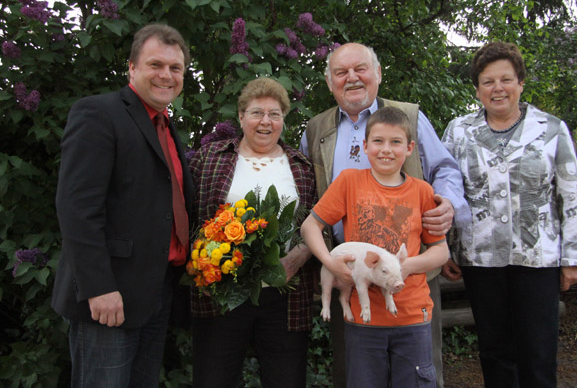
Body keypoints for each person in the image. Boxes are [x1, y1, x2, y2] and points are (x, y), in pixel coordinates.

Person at [300, 42, 469, 388]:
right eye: (341, 73)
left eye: (360, 69)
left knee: (419, 368)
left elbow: (445, 169)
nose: (352, 78)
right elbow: (309, 205)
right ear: (330, 81)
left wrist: (448, 204)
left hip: (409, 269)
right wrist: (328, 264)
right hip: (349, 269)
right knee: (357, 371)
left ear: (378, 73)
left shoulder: (408, 116)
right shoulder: (315, 129)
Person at [52, 23, 194, 387]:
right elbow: (77, 209)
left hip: (155, 291)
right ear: (131, 68)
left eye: (175, 68)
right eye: (155, 65)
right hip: (109, 295)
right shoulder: (100, 113)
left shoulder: (166, 126)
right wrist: (99, 287)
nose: (167, 75)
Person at [440, 41, 577, 388]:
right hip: (480, 260)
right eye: (488, 81)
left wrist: (574, 257)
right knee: (494, 351)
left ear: (520, 83)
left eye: (506, 79)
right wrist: (444, 247)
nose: (498, 89)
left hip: (538, 260)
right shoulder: (458, 132)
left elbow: (572, 194)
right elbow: (444, 193)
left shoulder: (551, 129)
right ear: (477, 89)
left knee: (538, 352)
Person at [189, 77, 317, 388]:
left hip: (285, 293)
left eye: (275, 114)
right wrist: (201, 268)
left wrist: (299, 256)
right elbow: (187, 218)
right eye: (257, 112)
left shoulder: (301, 166)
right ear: (241, 115)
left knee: (286, 379)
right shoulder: (210, 159)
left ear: (283, 121)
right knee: (213, 379)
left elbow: (318, 223)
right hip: (221, 293)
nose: (266, 121)